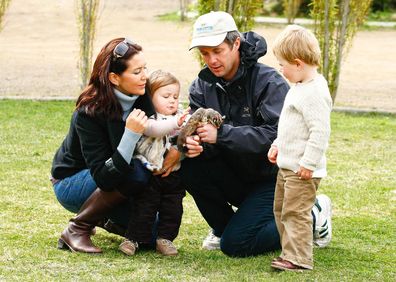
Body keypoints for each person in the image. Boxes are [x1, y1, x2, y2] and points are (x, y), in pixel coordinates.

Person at [179, 11, 332, 257]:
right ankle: (224, 228)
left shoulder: (269, 82)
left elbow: (277, 136)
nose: (211, 60)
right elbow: (199, 137)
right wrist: (194, 144)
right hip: (233, 175)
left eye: (217, 51)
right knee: (188, 166)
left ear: (236, 43)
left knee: (236, 245)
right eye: (205, 53)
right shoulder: (200, 87)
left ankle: (313, 215)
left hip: (270, 179)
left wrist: (221, 134)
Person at [50, 38, 181, 253]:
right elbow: (103, 176)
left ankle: (101, 218)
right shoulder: (90, 111)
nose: (144, 77)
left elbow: (161, 126)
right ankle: (77, 227)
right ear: (114, 77)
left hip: (121, 177)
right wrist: (130, 134)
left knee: (152, 232)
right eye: (137, 71)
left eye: (145, 69)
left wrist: (178, 147)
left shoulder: (141, 95)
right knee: (137, 171)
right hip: (73, 181)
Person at [268, 25, 332, 271]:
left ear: (297, 63)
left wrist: (309, 163)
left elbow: (320, 131)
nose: (280, 70)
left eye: (282, 64)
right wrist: (276, 145)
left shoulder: (314, 92)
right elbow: (290, 127)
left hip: (302, 170)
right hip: (287, 166)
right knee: (281, 210)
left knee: (295, 213)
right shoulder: (299, 87)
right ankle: (289, 251)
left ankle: (299, 259)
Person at [119, 70, 188, 256]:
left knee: (173, 209)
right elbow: (155, 130)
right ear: (150, 97)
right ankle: (132, 239)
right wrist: (176, 123)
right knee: (144, 207)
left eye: (175, 96)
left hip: (172, 175)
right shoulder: (147, 117)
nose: (172, 100)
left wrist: (189, 126)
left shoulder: (180, 116)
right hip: (149, 173)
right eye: (166, 96)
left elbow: (186, 141)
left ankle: (165, 239)